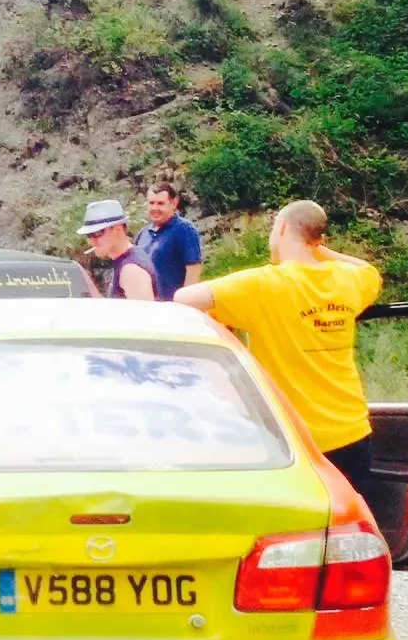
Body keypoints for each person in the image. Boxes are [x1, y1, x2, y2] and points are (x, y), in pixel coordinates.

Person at [175, 200, 382, 492]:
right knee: (347, 529)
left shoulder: (263, 285)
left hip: (295, 441)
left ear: (281, 228)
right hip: (353, 433)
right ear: (316, 238)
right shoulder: (346, 279)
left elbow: (184, 298)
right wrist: (318, 249)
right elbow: (369, 270)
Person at [134, 180, 203, 302]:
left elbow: (193, 271)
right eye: (151, 203)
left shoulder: (184, 230)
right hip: (147, 308)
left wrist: (185, 306)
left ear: (174, 203)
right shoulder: (142, 234)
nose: (155, 208)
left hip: (173, 309)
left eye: (160, 203)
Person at [78, 199, 157, 300]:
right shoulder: (123, 261)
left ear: (118, 229)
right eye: (89, 235)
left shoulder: (131, 270)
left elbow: (144, 314)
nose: (92, 241)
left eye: (97, 234)